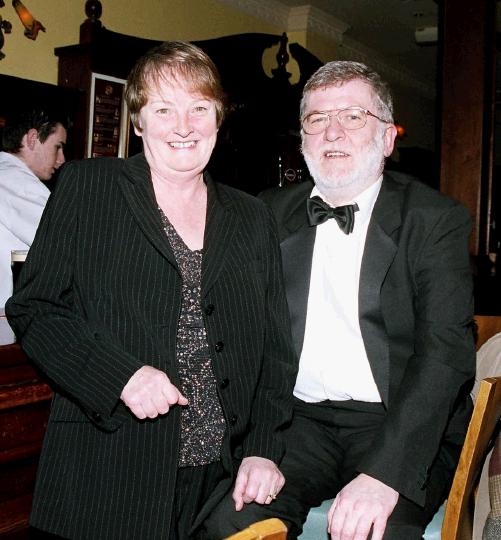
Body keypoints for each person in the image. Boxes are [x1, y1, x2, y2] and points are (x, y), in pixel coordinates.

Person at [6, 41, 297, 540]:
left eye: (198, 108)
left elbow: (274, 349)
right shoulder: (87, 188)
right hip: (109, 473)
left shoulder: (254, 216)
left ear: (218, 118)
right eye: (164, 109)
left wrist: (263, 448)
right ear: (139, 121)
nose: (183, 126)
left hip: (220, 485)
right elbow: (34, 307)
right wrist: (120, 376)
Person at [204, 61, 475, 539]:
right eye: (316, 119)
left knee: (377, 531)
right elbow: (240, 337)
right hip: (296, 422)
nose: (332, 133)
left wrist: (386, 473)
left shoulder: (434, 220)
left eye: (353, 117)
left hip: (397, 419)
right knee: (228, 522)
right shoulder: (267, 212)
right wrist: (257, 445)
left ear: (388, 139)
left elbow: (444, 356)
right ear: (302, 140)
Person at [0, 108, 67, 307]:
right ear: (32, 138)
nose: (62, 159)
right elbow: (67, 241)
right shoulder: (16, 183)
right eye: (58, 147)